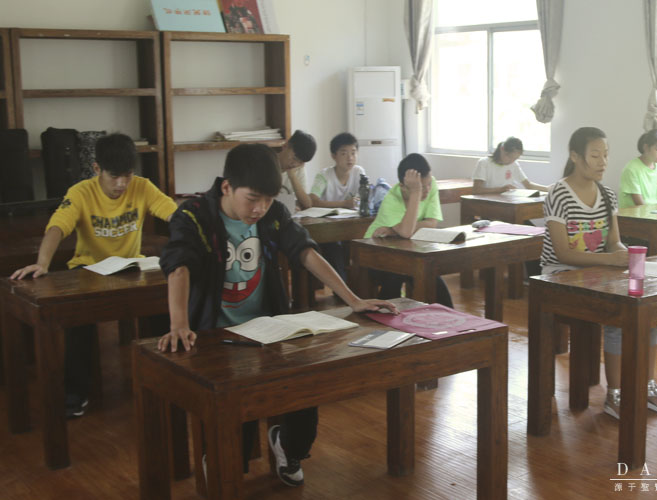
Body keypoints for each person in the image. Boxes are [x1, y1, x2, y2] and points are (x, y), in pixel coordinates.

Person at [156, 143, 397, 486]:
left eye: (268, 200)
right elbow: (178, 265)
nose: (260, 209)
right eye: (252, 199)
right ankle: (223, 457)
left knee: (305, 390)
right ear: (227, 187)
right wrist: (179, 324)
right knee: (235, 425)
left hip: (269, 329)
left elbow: (305, 252)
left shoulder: (273, 214)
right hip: (214, 335)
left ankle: (287, 445)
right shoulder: (193, 215)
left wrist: (353, 299)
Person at [10, 133, 177, 418]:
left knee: (165, 304)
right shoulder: (81, 192)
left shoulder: (142, 187)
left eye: (127, 176)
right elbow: (57, 227)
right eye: (114, 177)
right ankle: (75, 393)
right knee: (78, 322)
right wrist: (42, 263)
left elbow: (175, 215)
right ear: (97, 168)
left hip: (131, 267)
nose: (121, 184)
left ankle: (163, 382)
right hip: (89, 269)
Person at [540, 126, 657, 420]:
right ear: (575, 156)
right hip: (561, 276)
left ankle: (646, 385)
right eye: (595, 155)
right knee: (618, 314)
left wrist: (624, 255)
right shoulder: (559, 194)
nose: (603, 162)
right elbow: (562, 253)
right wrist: (611, 260)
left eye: (606, 155)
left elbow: (613, 241)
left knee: (649, 309)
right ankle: (615, 394)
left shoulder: (607, 195)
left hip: (598, 272)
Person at [364, 153, 454, 308]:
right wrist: (415, 192)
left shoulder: (430, 183)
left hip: (407, 252)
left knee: (431, 275)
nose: (426, 190)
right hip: (375, 252)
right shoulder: (392, 199)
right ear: (402, 187)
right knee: (396, 274)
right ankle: (386, 316)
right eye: (421, 187)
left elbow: (431, 223)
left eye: (428, 185)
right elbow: (407, 232)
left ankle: (449, 317)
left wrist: (396, 230)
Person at [307, 132, 368, 279]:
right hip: (326, 228)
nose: (350, 158)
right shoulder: (324, 175)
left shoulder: (359, 172)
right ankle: (341, 286)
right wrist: (344, 204)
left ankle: (359, 285)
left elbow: (364, 197)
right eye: (344, 153)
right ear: (334, 156)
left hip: (351, 226)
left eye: (353, 152)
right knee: (334, 248)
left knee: (362, 245)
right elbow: (313, 201)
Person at [472, 137, 548, 194]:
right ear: (502, 149)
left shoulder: (514, 164)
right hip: (488, 204)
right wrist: (500, 189)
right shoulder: (484, 163)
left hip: (507, 202)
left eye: (515, 159)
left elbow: (528, 185)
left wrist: (548, 189)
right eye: (509, 157)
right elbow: (476, 190)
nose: (511, 161)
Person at [618, 129, 657, 209]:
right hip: (635, 214)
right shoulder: (631, 169)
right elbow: (639, 203)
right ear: (646, 148)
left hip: (654, 213)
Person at [279, 130, 318, 210]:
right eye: (294, 158)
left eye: (300, 162)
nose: (295, 164)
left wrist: (292, 176)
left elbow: (307, 204)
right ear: (285, 146)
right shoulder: (268, 163)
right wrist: (290, 206)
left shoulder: (298, 169)